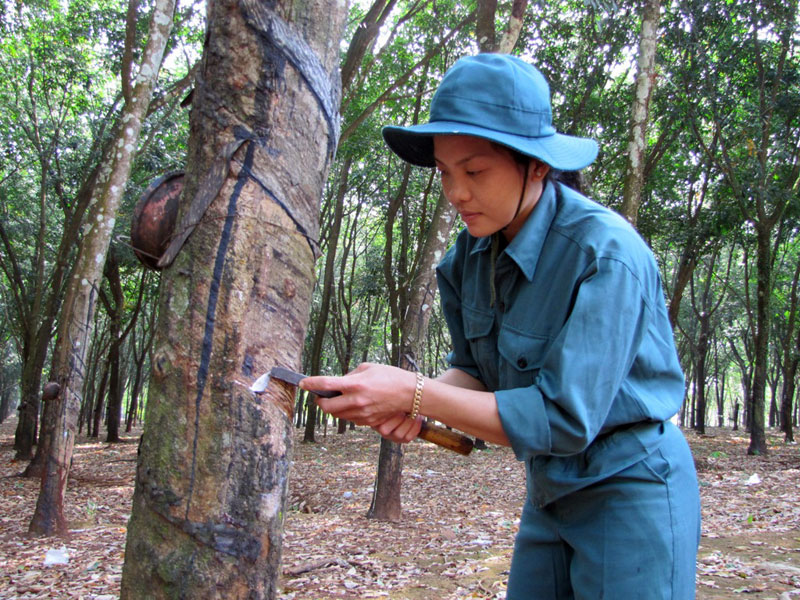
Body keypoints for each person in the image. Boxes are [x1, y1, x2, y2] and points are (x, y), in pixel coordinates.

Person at [301, 53, 700, 599]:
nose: (456, 193)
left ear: (536, 165)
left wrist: (415, 393)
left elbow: (562, 418)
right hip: (548, 491)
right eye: (444, 172)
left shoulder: (605, 256)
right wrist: (407, 400)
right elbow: (476, 371)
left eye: (475, 171)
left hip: (630, 486)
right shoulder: (466, 260)